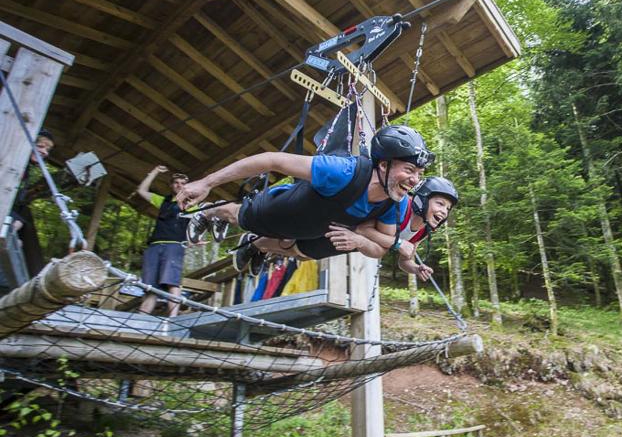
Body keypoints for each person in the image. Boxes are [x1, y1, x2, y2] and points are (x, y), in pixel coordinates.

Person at [178, 125, 434, 275]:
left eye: (419, 174)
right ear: (384, 164)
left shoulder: (394, 202)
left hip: (310, 229)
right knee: (239, 217)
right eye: (409, 171)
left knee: (296, 247)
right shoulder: (343, 171)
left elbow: (379, 248)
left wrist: (359, 240)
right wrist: (207, 183)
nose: (414, 180)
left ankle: (256, 246)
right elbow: (271, 160)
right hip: (285, 209)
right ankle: (209, 214)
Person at [342, 176, 458, 281]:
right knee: (381, 250)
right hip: (345, 225)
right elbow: (362, 229)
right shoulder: (401, 207)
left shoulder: (423, 230)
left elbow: (404, 260)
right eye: (440, 204)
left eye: (448, 209)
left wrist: (416, 269)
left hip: (352, 245)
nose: (444, 211)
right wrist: (398, 243)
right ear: (422, 199)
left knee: (381, 250)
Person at [136, 166, 189, 316]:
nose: (179, 185)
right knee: (150, 287)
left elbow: (200, 222)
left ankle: (172, 320)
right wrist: (154, 172)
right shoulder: (163, 201)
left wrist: (196, 239)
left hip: (174, 245)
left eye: (183, 183)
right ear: (171, 185)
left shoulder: (191, 204)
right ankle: (140, 319)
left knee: (172, 281)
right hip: (154, 245)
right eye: (176, 183)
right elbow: (141, 191)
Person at [8, 129, 56, 277]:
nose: (45, 152)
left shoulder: (25, 170)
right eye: (41, 146)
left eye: (47, 149)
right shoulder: (9, 159)